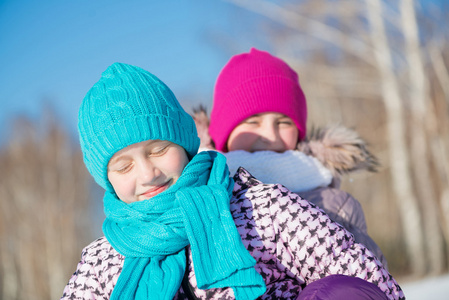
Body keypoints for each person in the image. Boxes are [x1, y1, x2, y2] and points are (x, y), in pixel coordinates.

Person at [61, 62, 404, 299]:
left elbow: (358, 271)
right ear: (104, 179)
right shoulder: (101, 259)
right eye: (123, 167)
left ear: (185, 143)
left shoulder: (259, 207)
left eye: (157, 150)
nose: (148, 173)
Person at [195, 47, 388, 268]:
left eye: (284, 122)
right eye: (252, 121)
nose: (270, 136)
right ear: (222, 135)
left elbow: (366, 280)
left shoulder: (335, 206)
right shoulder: (196, 199)